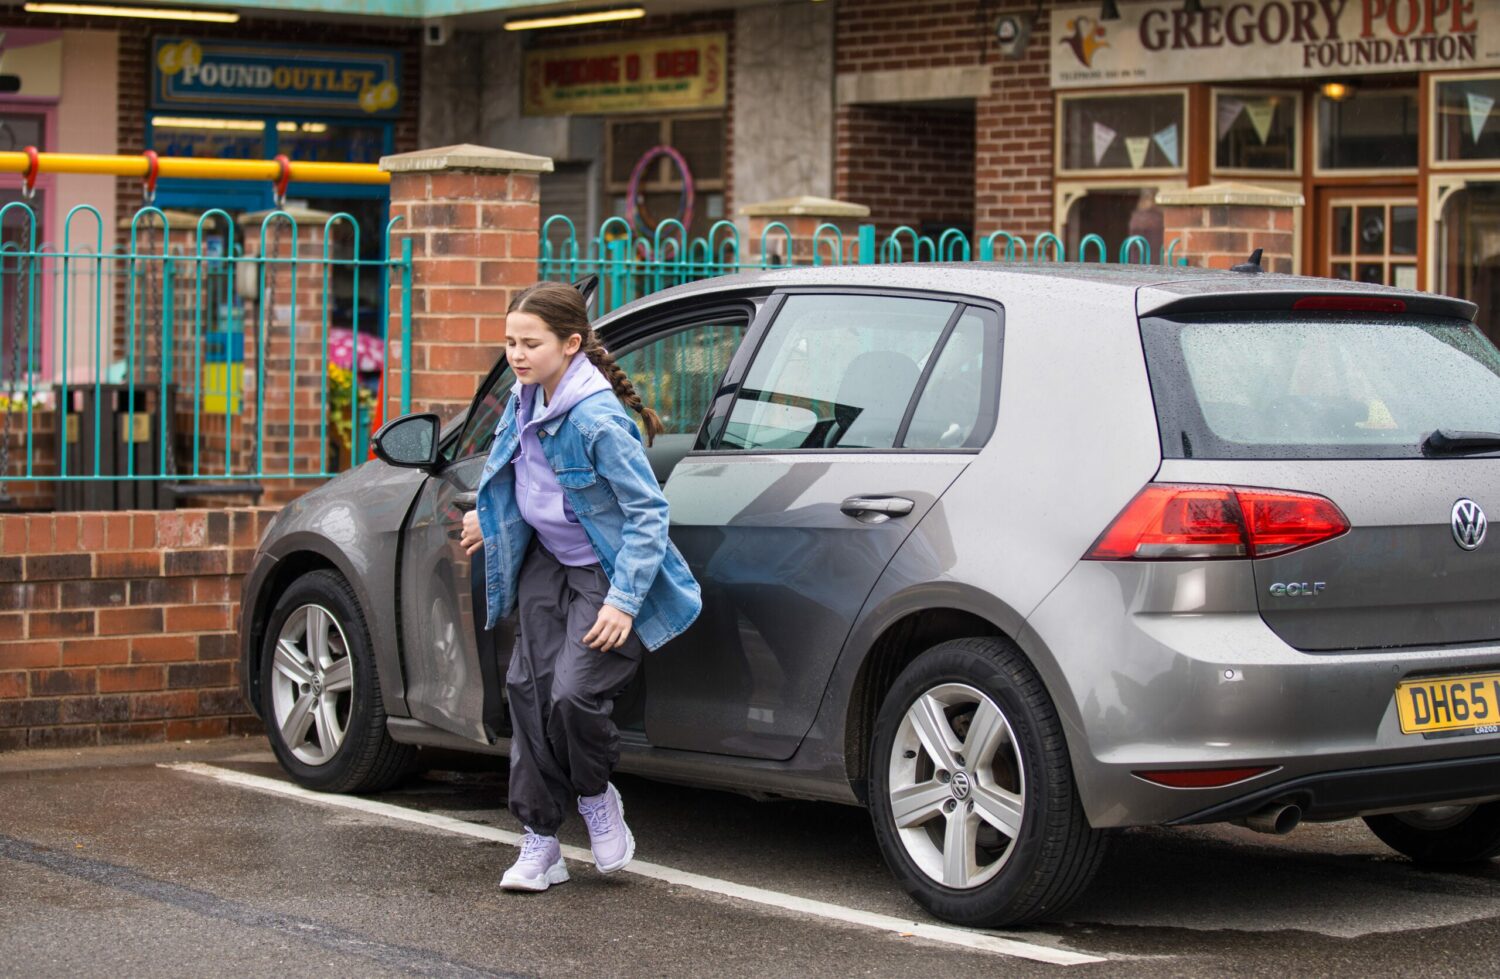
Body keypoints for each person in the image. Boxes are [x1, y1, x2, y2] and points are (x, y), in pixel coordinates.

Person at [459, 280, 703, 892]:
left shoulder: (597, 420)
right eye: (510, 342)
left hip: (602, 568)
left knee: (571, 694)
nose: (517, 355)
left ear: (570, 344)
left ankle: (596, 796)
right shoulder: (522, 398)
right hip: (546, 561)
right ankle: (541, 840)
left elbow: (648, 513)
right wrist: (490, 522)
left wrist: (623, 601)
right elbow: (523, 480)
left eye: (531, 343)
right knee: (527, 690)